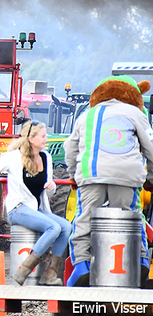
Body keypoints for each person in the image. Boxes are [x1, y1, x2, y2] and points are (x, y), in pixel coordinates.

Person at [64, 75, 153, 287]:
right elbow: (150, 148)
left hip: (90, 173)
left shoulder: (87, 114)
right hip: (126, 175)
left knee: (84, 218)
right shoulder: (135, 113)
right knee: (132, 217)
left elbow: (70, 148)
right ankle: (140, 260)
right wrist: (150, 178)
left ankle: (81, 264)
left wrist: (73, 173)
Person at [0, 120, 72, 286]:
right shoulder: (14, 157)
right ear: (31, 139)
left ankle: (50, 273)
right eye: (43, 136)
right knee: (53, 227)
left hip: (38, 209)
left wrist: (51, 186)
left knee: (66, 227)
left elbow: (49, 191)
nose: (46, 139)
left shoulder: (47, 157)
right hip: (18, 209)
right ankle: (24, 268)